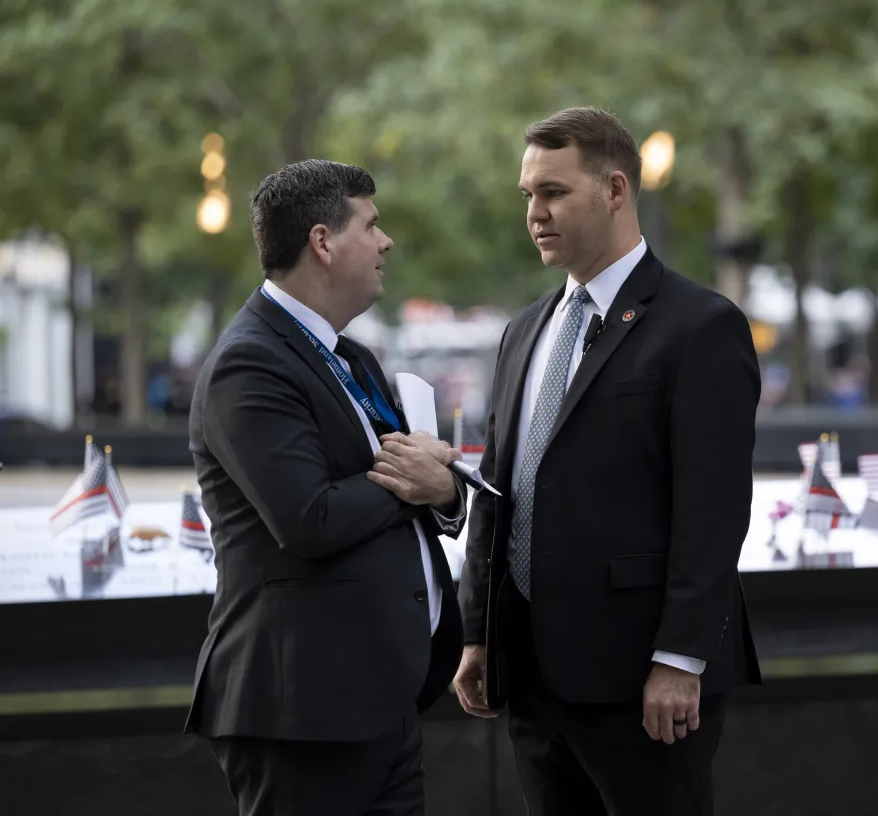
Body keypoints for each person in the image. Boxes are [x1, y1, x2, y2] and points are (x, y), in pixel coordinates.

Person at [455, 107, 762, 815]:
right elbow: (497, 489)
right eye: (528, 195)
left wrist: (680, 660)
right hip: (530, 678)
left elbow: (712, 514)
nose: (535, 212)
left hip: (645, 683)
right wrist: (477, 630)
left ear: (616, 190)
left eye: (554, 192)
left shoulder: (701, 326)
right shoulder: (523, 331)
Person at [186, 160, 468, 816]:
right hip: (303, 713)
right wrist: (414, 482)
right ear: (322, 241)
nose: (386, 241)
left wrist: (443, 488)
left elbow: (414, 488)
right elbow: (308, 516)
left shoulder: (353, 357)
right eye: (371, 224)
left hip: (382, 700)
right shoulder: (248, 362)